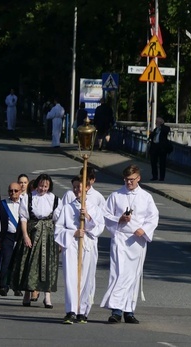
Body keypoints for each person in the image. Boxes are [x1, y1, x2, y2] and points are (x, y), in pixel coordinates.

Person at [100, 164, 159, 324]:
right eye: (126, 180)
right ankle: (116, 310)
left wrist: (144, 229)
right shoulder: (116, 195)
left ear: (138, 178)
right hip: (120, 238)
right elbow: (105, 214)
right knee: (119, 273)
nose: (129, 183)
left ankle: (129, 311)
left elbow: (153, 216)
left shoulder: (146, 197)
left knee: (133, 275)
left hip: (137, 240)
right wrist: (119, 219)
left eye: (132, 180)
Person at [54, 176, 103, 324]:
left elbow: (100, 227)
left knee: (86, 277)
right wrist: (73, 233)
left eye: (79, 187)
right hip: (71, 244)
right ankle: (71, 310)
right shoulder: (67, 208)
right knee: (71, 277)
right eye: (74, 187)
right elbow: (58, 229)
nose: (76, 190)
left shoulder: (94, 207)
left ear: (87, 188)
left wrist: (87, 217)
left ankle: (82, 311)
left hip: (87, 244)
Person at [9, 173, 62, 308]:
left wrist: (59, 240)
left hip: (49, 236)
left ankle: (47, 296)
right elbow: (24, 218)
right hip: (33, 233)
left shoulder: (55, 200)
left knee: (48, 265)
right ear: (37, 184)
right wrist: (25, 235)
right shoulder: (28, 197)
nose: (43, 189)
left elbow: (58, 221)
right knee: (29, 263)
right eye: (41, 185)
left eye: (46, 186)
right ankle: (27, 293)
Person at [0, 182, 21, 297]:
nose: (13, 193)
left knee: (19, 262)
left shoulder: (25, 204)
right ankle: (3, 286)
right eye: (11, 191)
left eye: (16, 191)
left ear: (20, 191)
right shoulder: (2, 204)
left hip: (21, 237)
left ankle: (17, 287)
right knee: (6, 261)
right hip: (8, 237)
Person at [149, 117, 172, 181]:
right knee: (153, 163)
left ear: (161, 122)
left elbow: (166, 131)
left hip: (162, 148)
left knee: (162, 163)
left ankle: (162, 177)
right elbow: (151, 136)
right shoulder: (156, 129)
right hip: (154, 147)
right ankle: (154, 176)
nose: (156, 123)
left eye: (157, 122)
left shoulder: (165, 128)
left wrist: (161, 125)